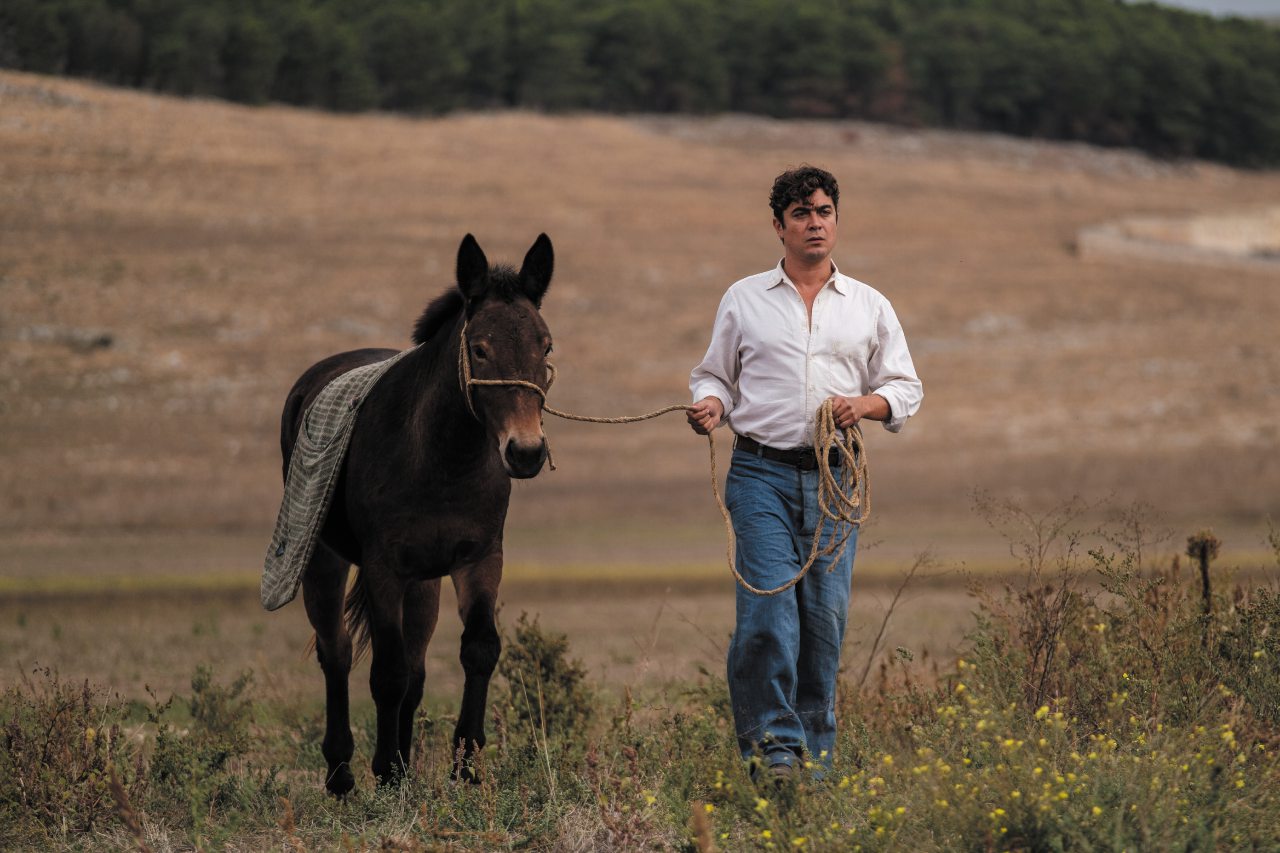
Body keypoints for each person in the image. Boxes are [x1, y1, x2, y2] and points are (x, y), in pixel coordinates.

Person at [688, 165, 923, 782]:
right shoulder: (743, 298)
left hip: (835, 478)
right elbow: (714, 374)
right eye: (801, 213)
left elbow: (904, 387)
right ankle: (775, 751)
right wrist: (711, 404)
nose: (814, 222)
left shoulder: (869, 306)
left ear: (836, 220)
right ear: (778, 226)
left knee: (823, 622)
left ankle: (814, 766)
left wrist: (864, 405)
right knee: (767, 614)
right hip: (760, 471)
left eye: (824, 211)